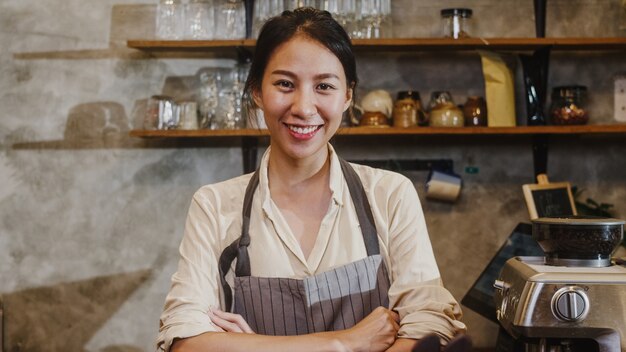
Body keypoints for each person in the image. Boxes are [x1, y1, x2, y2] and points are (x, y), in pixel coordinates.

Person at [157, 7, 466, 352]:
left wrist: (252, 346)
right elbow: (185, 342)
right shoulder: (214, 205)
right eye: (285, 84)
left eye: (324, 86)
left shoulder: (389, 194)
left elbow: (428, 325)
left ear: (348, 95)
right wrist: (343, 343)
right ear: (257, 91)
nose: (304, 107)